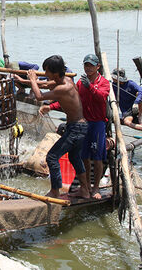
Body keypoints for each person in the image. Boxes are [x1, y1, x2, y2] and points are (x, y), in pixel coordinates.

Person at [39, 54, 109, 199]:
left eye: (91, 65)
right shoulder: (78, 83)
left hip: (96, 123)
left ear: (98, 67)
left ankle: (95, 188)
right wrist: (51, 107)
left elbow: (102, 97)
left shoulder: (104, 83)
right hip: (83, 123)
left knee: (96, 158)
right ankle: (85, 188)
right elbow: (71, 102)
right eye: (86, 65)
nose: (88, 68)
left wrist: (90, 87)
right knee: (80, 157)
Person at [28, 55, 90, 199]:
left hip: (75, 128)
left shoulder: (63, 88)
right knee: (75, 158)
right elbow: (45, 85)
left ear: (55, 73)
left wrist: (32, 80)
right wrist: (25, 81)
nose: (45, 74)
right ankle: (85, 190)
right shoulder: (66, 81)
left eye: (47, 72)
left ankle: (55, 191)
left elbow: (39, 96)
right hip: (79, 127)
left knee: (52, 157)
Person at [112, 68, 142, 139]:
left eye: (114, 77)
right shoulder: (113, 85)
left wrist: (136, 103)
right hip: (127, 110)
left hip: (135, 107)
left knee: (139, 94)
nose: (113, 79)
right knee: (127, 122)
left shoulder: (130, 83)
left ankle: (140, 116)